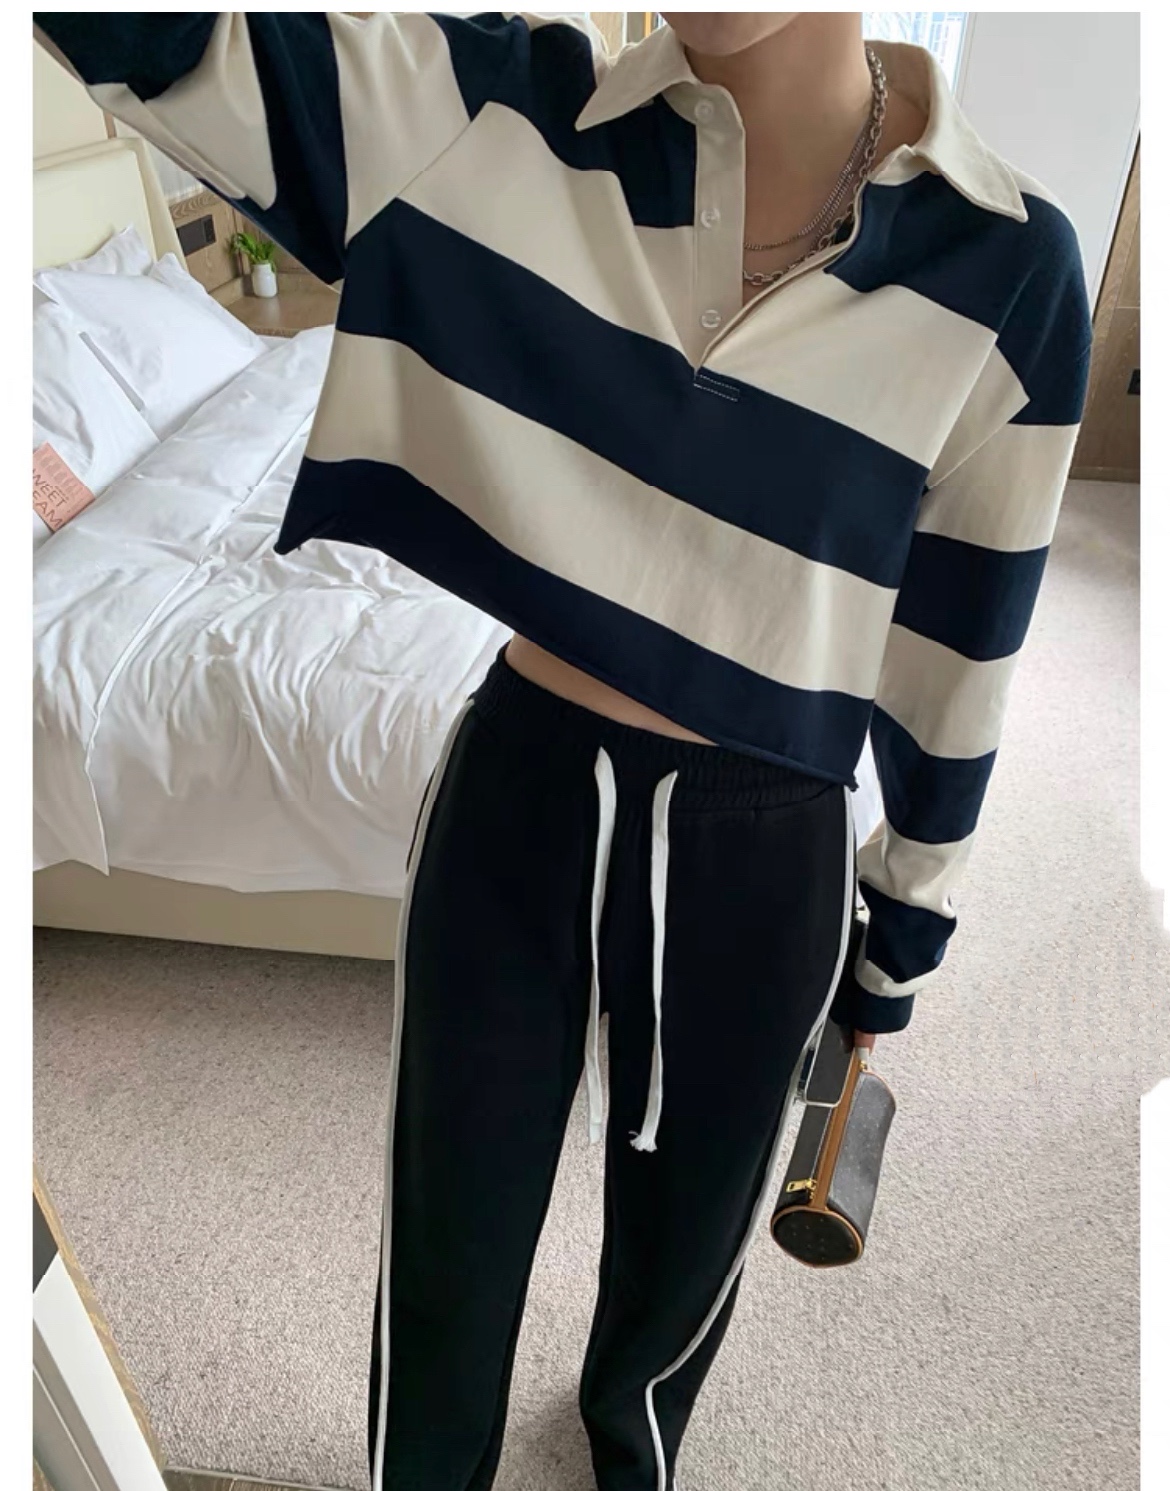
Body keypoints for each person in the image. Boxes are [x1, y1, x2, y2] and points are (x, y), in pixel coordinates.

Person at [34, 12, 1093, 1490]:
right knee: (449, 1227)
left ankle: (627, 1445)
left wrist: (898, 942)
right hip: (517, 782)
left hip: (768, 829)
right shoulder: (496, 115)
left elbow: (961, 653)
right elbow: (160, 38)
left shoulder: (1010, 263)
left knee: (691, 1239)